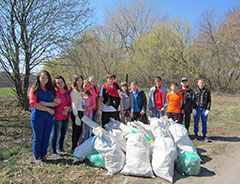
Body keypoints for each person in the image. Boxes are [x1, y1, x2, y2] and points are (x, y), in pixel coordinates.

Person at [29, 70, 61, 165]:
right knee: (38, 137)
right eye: (42, 77)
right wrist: (47, 109)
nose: (44, 79)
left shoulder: (51, 89)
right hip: (38, 116)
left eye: (46, 78)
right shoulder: (34, 89)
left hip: (49, 117)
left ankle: (43, 155)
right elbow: (33, 103)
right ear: (38, 78)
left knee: (46, 136)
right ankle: (37, 156)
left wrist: (46, 104)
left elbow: (57, 101)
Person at [50, 75, 71, 158]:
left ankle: (61, 149)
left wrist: (69, 108)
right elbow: (54, 104)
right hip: (57, 116)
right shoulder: (54, 92)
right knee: (55, 134)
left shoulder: (67, 91)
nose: (61, 84)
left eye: (62, 82)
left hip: (66, 115)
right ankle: (53, 151)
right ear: (55, 84)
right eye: (58, 83)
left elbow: (71, 101)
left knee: (63, 133)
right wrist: (62, 108)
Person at [70, 74, 84, 153]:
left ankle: (76, 146)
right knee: (76, 131)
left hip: (81, 111)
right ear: (75, 81)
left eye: (81, 80)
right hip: (76, 113)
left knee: (79, 131)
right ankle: (73, 147)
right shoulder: (74, 92)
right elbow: (74, 104)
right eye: (78, 80)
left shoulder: (80, 91)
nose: (80, 82)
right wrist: (76, 115)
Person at [78, 80, 95, 144]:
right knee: (82, 130)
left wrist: (88, 108)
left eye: (88, 86)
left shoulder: (90, 93)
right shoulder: (80, 93)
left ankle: (86, 143)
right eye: (85, 86)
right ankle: (80, 143)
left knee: (87, 129)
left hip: (89, 113)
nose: (86, 88)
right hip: (81, 113)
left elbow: (94, 104)